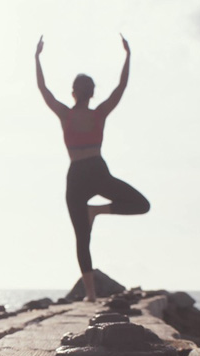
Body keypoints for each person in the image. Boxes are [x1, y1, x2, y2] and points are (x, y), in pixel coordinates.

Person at [35, 34, 150, 301]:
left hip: (77, 175)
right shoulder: (99, 114)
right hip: (97, 171)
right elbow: (121, 88)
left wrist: (37, 58)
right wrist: (128, 57)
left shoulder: (66, 114)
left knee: (81, 237)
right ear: (93, 93)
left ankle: (90, 294)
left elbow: (43, 90)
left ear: (73, 92)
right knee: (141, 204)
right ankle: (97, 211)